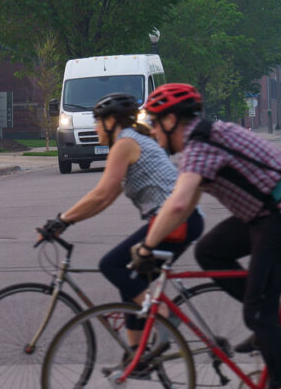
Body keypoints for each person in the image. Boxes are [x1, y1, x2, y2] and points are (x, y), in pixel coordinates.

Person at [131, 83, 281, 389]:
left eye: (154, 122)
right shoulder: (205, 137)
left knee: (259, 310)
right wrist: (155, 240)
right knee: (209, 250)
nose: (152, 131)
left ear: (170, 121)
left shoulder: (200, 144)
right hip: (266, 213)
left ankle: (278, 370)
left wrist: (146, 247)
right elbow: (186, 201)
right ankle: (273, 325)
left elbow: (179, 203)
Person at [37, 93, 203, 369]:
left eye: (97, 122)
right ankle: (137, 355)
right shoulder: (130, 142)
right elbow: (107, 197)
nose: (94, 128)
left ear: (111, 121)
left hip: (175, 221)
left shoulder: (125, 143)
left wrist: (62, 221)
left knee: (112, 265)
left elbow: (101, 194)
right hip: (178, 220)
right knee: (131, 281)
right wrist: (68, 221)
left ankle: (163, 316)